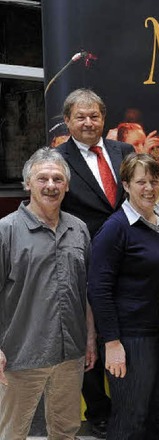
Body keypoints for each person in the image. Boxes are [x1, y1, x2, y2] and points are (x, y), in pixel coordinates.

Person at [88, 153, 159, 440]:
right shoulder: (115, 228)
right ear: (126, 185)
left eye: (154, 181)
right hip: (130, 339)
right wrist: (113, 342)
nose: (149, 188)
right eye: (141, 181)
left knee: (154, 415)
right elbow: (98, 289)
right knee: (131, 418)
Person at [0, 148, 93, 439]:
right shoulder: (6, 231)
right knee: (13, 432)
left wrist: (90, 338)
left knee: (66, 431)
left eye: (57, 179)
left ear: (66, 185)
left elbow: (85, 291)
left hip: (71, 354)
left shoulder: (78, 229)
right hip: (19, 355)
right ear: (28, 183)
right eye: (43, 178)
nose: (50, 185)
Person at [58, 88, 135, 437]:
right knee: (87, 336)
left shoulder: (125, 151)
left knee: (126, 333)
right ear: (67, 120)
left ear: (104, 119)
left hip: (129, 259)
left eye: (95, 116)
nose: (89, 122)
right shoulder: (57, 159)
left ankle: (130, 404)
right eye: (80, 116)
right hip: (82, 260)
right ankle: (99, 410)